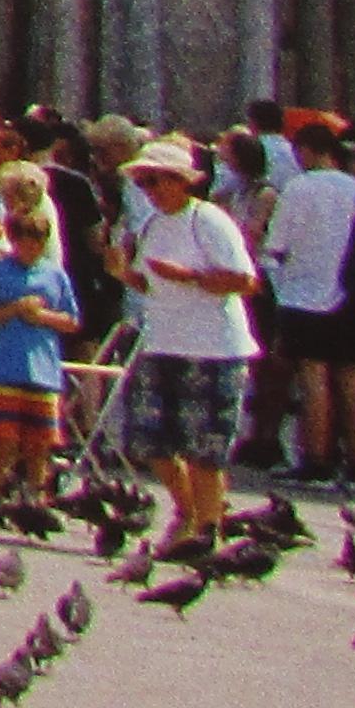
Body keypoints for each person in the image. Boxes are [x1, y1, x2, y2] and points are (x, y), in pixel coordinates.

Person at [115, 133, 257, 535]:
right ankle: (186, 509)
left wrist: (192, 277)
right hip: (162, 341)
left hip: (212, 348)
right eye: (143, 183)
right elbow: (149, 282)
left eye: (156, 181)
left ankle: (205, 527)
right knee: (150, 440)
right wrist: (122, 273)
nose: (150, 191)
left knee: (204, 451)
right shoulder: (154, 224)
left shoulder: (209, 220)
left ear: (181, 180)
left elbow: (245, 281)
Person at [260, 123, 355, 492]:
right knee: (352, 377)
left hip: (303, 293)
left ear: (308, 149)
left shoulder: (299, 187)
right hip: (350, 292)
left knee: (314, 378)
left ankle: (317, 458)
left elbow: (278, 241)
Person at [0, 165, 76, 500]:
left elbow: (71, 320)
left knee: (40, 439)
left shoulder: (54, 274)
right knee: (1, 437)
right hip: (5, 363)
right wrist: (14, 309)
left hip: (43, 365)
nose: (32, 247)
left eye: (38, 240)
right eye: (25, 240)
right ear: (14, 240)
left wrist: (42, 316)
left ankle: (36, 493)